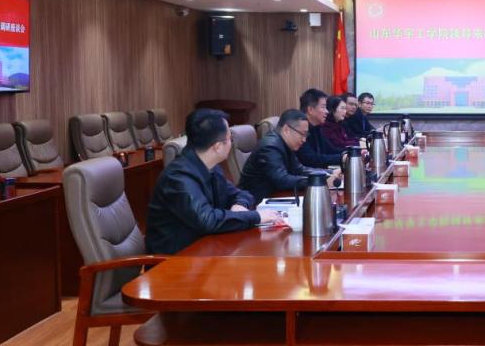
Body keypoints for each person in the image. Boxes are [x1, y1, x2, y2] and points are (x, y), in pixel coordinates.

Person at [145, 108, 282, 255]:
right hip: (175, 260)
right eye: (230, 139)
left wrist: (239, 205)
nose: (231, 143)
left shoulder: (210, 166)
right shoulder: (178, 177)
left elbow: (241, 194)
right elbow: (207, 220)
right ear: (217, 146)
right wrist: (256, 216)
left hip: (205, 248)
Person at [238, 109, 340, 203]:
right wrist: (320, 181)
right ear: (286, 129)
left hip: (275, 196)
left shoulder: (285, 143)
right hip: (255, 203)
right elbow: (282, 180)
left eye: (306, 135)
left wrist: (328, 173)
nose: (304, 140)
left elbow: (299, 169)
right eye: (302, 134)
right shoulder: (270, 147)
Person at [297, 87, 345, 168]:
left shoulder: (317, 127)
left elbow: (331, 150)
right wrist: (342, 158)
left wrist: (352, 152)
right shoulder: (299, 129)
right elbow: (311, 159)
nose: (327, 111)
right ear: (310, 110)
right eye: (323, 107)